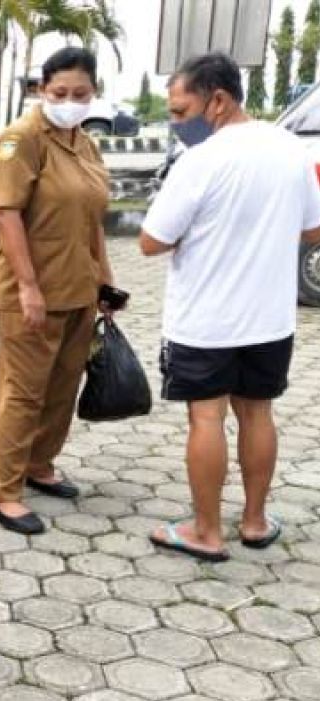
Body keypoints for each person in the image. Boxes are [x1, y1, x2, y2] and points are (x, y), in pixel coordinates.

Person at [140, 53, 320, 561]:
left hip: (206, 321)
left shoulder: (201, 160)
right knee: (258, 414)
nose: (177, 124)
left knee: (207, 420)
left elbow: (152, 241)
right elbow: (314, 228)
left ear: (216, 100)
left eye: (180, 111)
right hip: (270, 318)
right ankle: (256, 521)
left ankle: (205, 530)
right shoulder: (290, 148)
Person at [0, 47, 120, 536]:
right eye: (60, 92)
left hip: (78, 288)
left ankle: (40, 465)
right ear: (42, 89)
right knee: (23, 391)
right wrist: (29, 287)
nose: (69, 101)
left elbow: (92, 219)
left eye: (80, 94)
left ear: (93, 93)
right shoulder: (21, 141)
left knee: (62, 387)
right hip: (31, 292)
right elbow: (5, 214)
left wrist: (105, 279)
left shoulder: (85, 144)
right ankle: (2, 492)